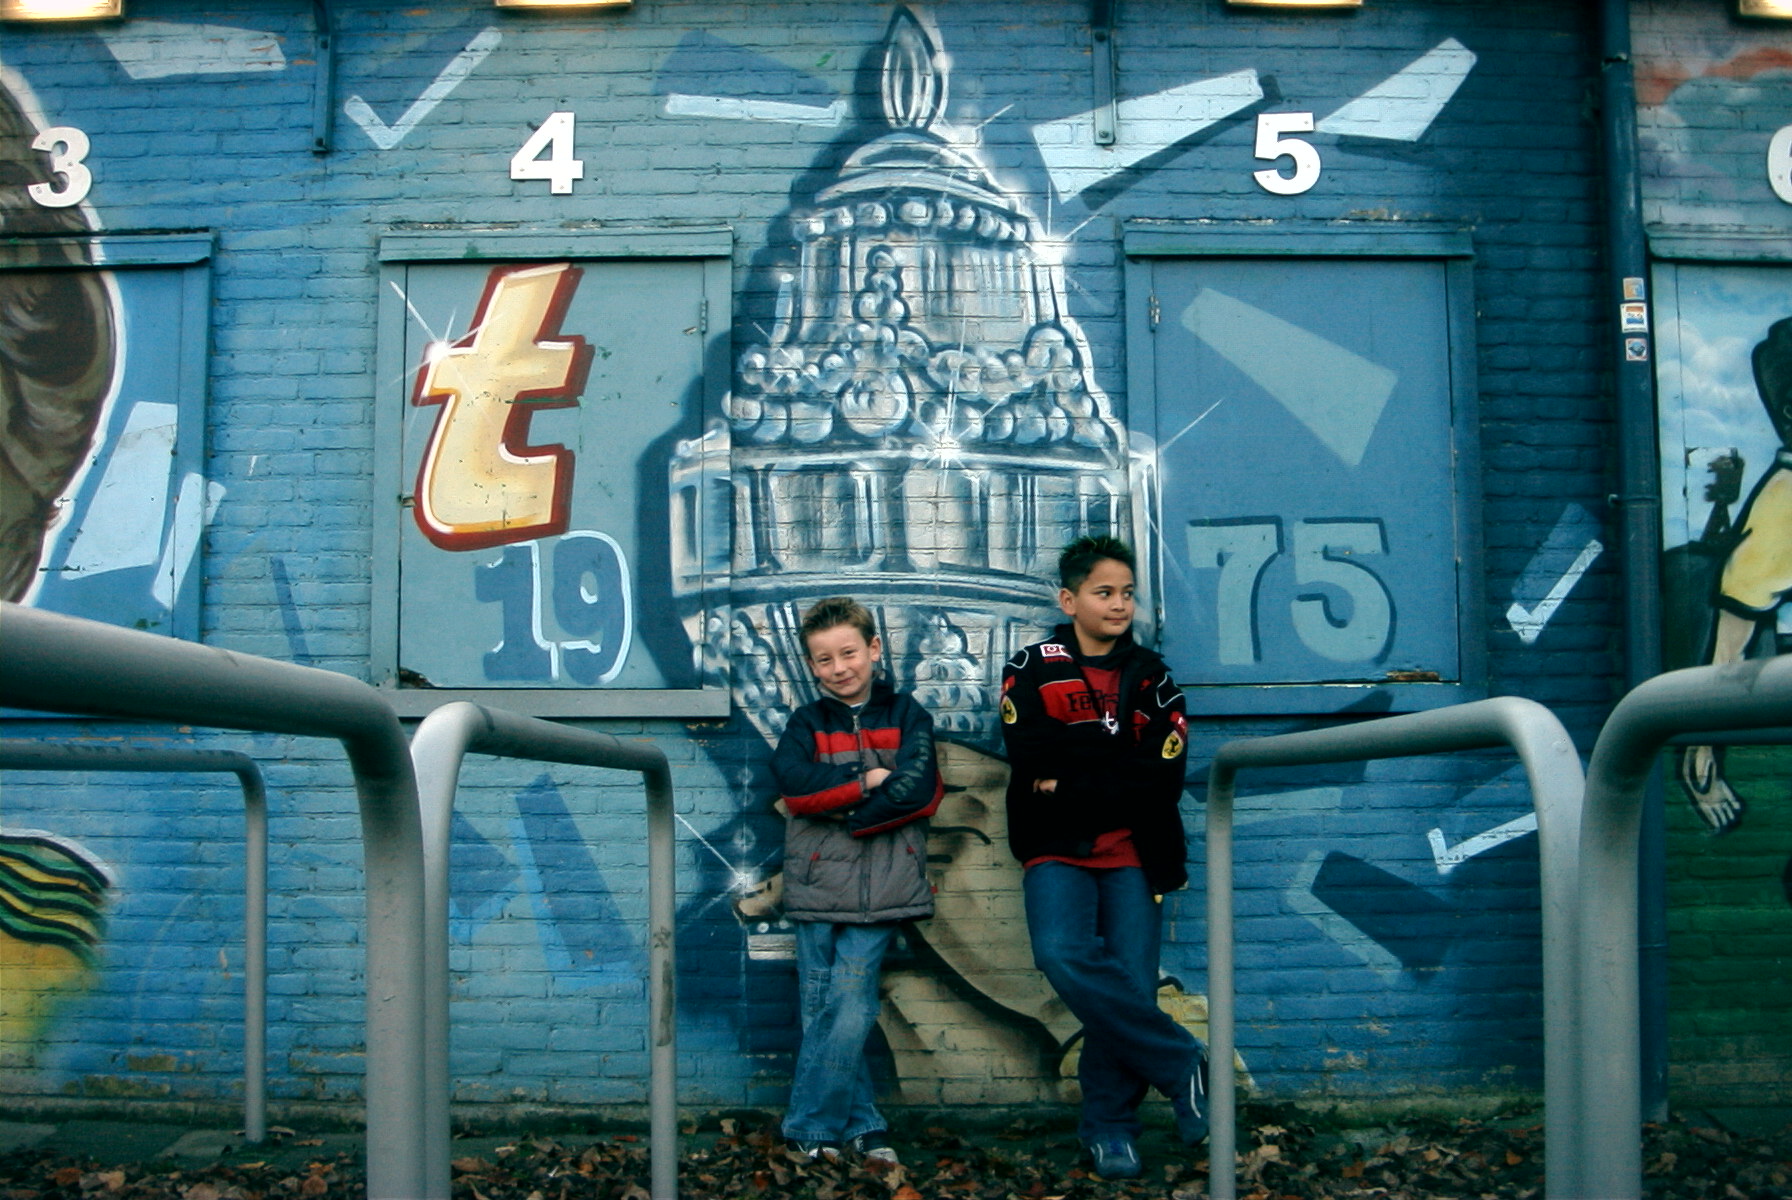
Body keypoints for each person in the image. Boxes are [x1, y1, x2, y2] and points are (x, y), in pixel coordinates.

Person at [999, 535, 1208, 1180]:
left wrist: (1077, 776)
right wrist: (1114, 770)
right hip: (1055, 848)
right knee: (1061, 953)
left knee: (1128, 985)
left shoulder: (1154, 676)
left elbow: (1162, 776)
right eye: (1104, 592)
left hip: (1136, 854)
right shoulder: (1032, 665)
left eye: (1127, 593)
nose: (1120, 605)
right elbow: (1031, 753)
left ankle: (1110, 1130)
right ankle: (1182, 1064)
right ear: (1070, 598)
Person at [771, 596, 943, 1164]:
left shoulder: (906, 714)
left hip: (884, 889)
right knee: (826, 1009)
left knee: (850, 1004)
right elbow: (795, 787)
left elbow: (921, 790)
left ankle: (808, 1125)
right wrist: (864, 779)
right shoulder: (806, 723)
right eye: (823, 660)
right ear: (811, 665)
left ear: (873, 649)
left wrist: (847, 813)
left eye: (848, 653)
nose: (839, 668)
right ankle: (865, 1127)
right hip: (818, 888)